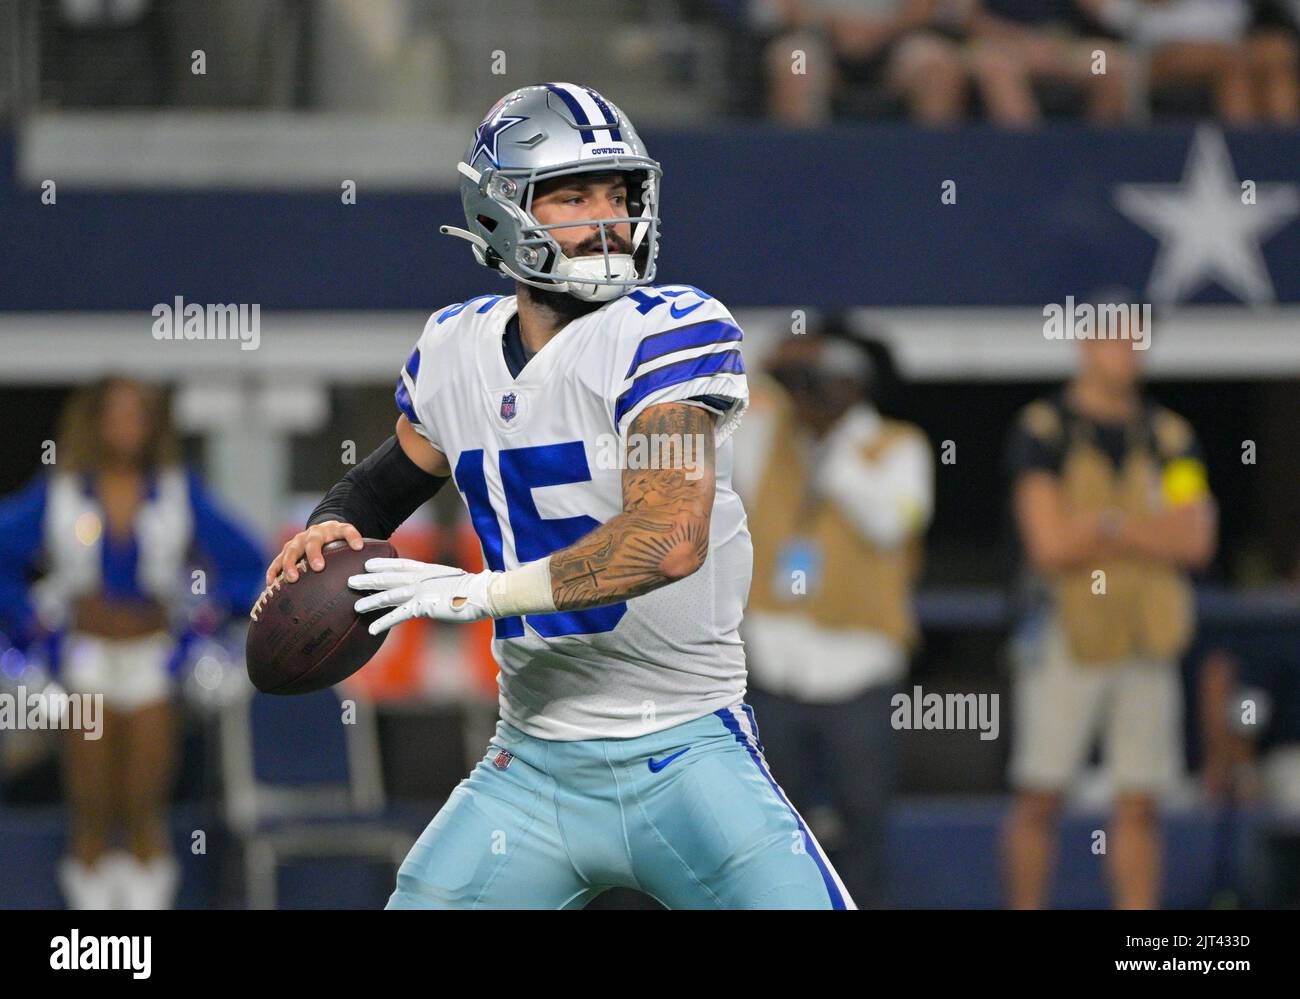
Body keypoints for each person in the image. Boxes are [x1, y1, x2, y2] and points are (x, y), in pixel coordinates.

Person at [263, 83, 855, 909]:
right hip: (533, 767)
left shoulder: (666, 330)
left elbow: (669, 533)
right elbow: (391, 477)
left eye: (617, 193)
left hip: (683, 753)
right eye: (573, 195)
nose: (607, 218)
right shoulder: (455, 347)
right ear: (501, 211)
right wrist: (330, 527)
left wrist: (482, 592)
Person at [0, 377, 265, 909]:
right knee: (93, 807)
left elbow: (247, 561)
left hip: (150, 660)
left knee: (145, 806)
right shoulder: (63, 490)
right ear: (93, 421)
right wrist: (32, 618)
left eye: (137, 415)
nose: (127, 426)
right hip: (86, 661)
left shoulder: (174, 489)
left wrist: (204, 611)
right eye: (115, 415)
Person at [1000, 307, 1217, 909]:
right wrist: (1146, 532)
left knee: (1141, 799)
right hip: (1068, 632)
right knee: (1041, 792)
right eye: (1114, 338)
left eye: (1136, 339)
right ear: (1085, 343)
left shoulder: (1169, 435)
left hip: (1148, 631)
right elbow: (1049, 544)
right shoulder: (1045, 429)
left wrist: (1107, 525)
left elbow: (1196, 538)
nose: (1127, 351)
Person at [731, 329, 933, 907]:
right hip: (774, 668)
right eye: (811, 383)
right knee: (768, 830)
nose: (816, 394)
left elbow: (891, 522)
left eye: (832, 382)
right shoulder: (769, 436)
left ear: (860, 386)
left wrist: (834, 438)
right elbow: (720, 410)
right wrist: (771, 372)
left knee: (862, 830)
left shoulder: (900, 446)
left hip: (860, 673)